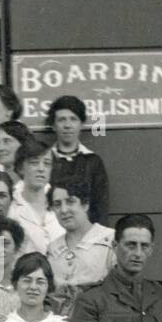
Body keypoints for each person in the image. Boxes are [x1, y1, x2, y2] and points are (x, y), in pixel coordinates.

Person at [46, 95, 112, 225]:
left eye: (73, 119)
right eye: (61, 120)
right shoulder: (45, 160)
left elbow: (100, 207)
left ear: (81, 124)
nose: (67, 125)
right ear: (53, 125)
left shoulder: (93, 161)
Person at [46, 177, 114, 290]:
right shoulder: (52, 248)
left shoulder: (110, 240)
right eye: (57, 204)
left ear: (85, 204)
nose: (63, 210)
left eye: (70, 202)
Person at [9, 137, 63, 256]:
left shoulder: (61, 204)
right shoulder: (11, 209)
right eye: (34, 162)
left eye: (47, 163)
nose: (41, 169)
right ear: (21, 168)